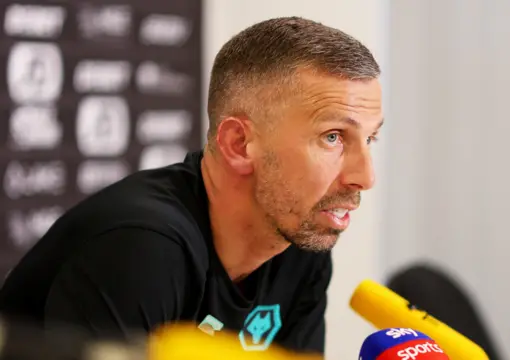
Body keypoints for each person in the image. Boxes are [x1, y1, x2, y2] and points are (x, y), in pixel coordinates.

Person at [0, 16, 383, 355]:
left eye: (370, 139)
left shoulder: (301, 242)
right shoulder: (141, 246)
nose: (365, 177)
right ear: (239, 144)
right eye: (333, 137)